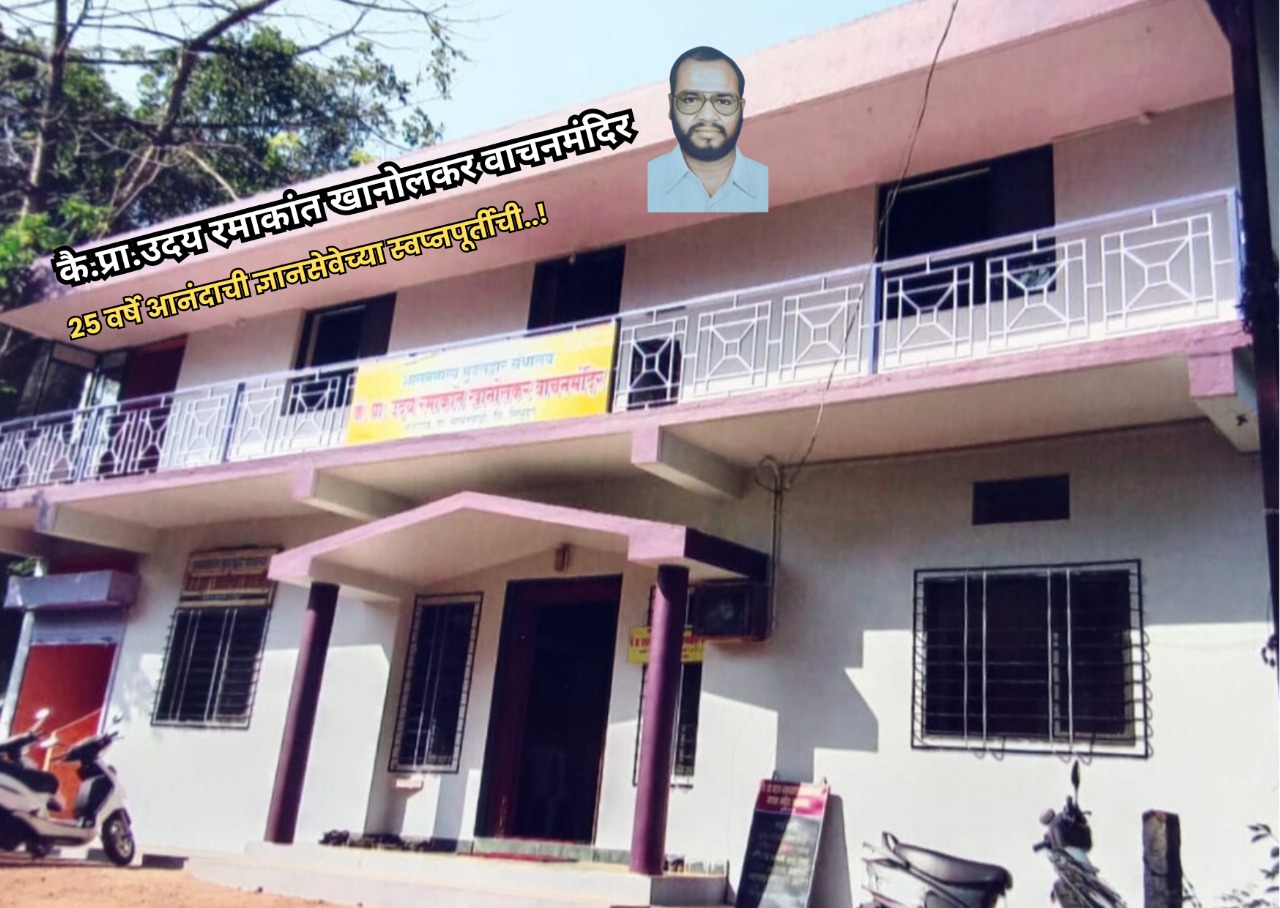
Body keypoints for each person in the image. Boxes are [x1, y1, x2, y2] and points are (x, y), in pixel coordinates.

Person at [647, 46, 768, 213]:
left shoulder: (770, 181)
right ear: (671, 106)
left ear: (741, 109)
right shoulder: (644, 183)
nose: (708, 116)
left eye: (724, 102)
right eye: (690, 100)